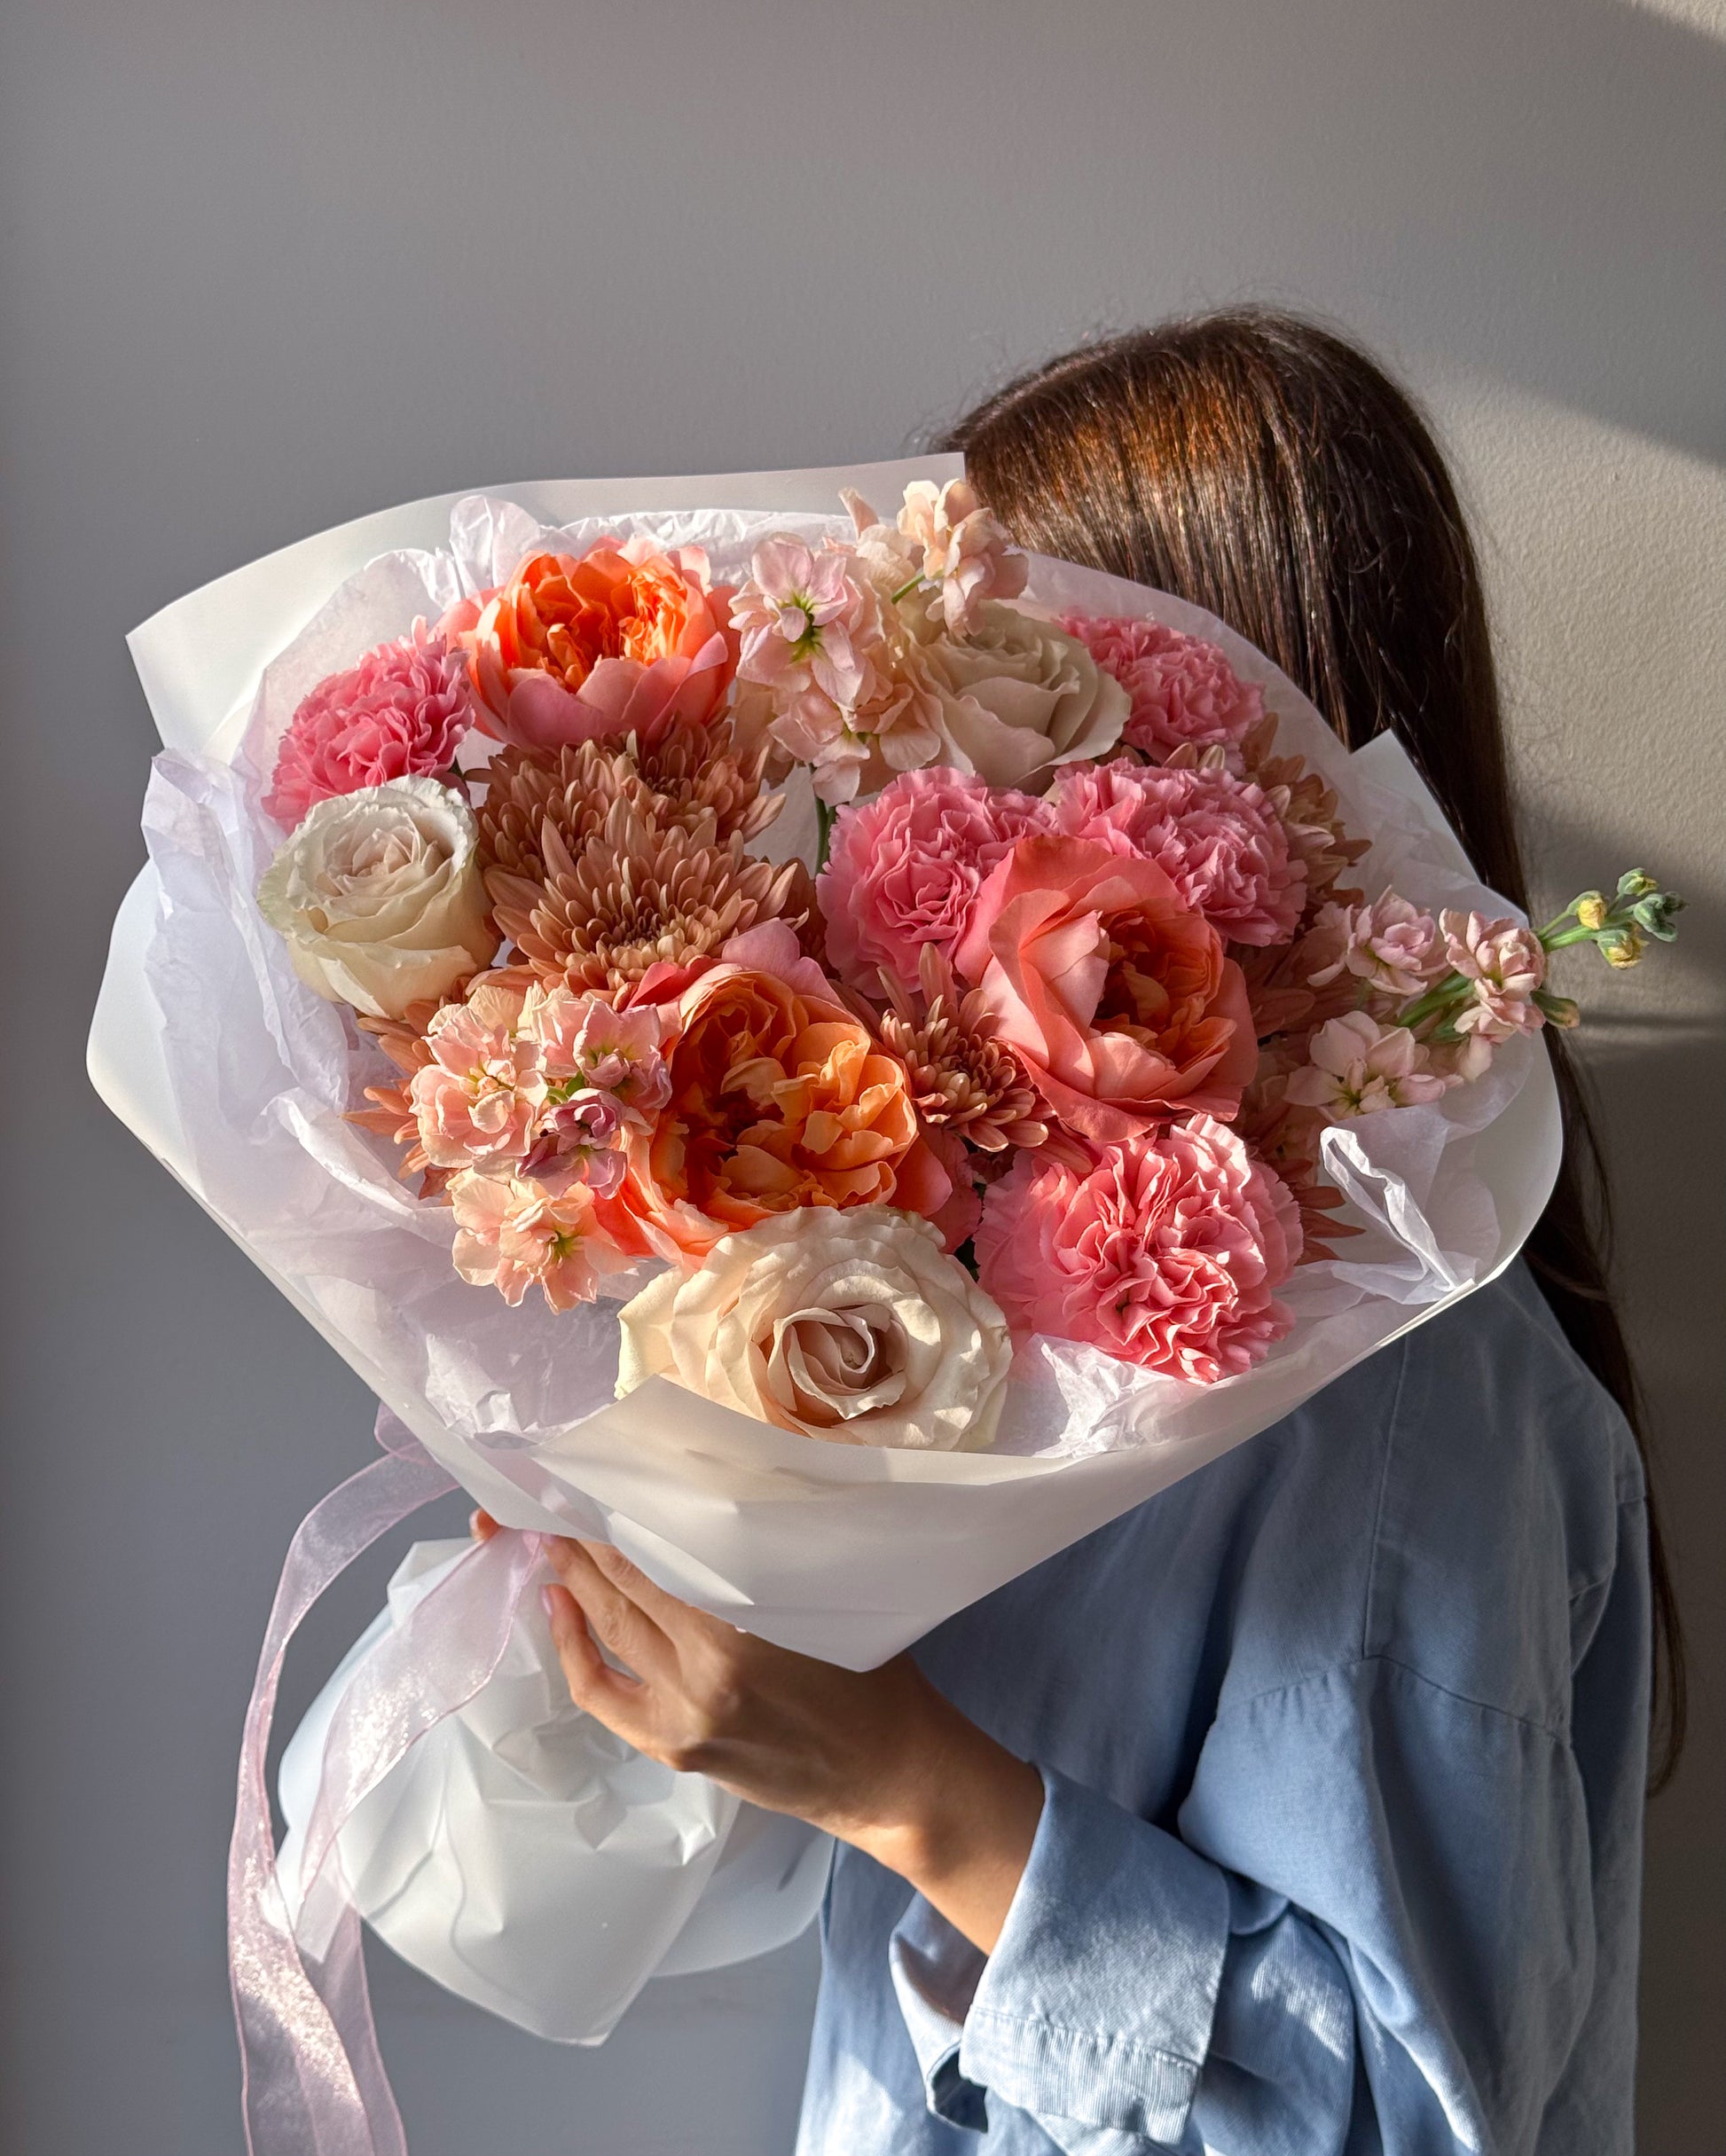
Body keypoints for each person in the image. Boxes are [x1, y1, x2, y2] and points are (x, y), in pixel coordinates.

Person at [476, 313, 1684, 2154]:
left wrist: (906, 1784)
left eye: (1006, 684)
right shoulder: (1047, 1330)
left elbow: (1392, 2123)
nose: (929, 786)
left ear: (1224, 756)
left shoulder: (1408, 1403)